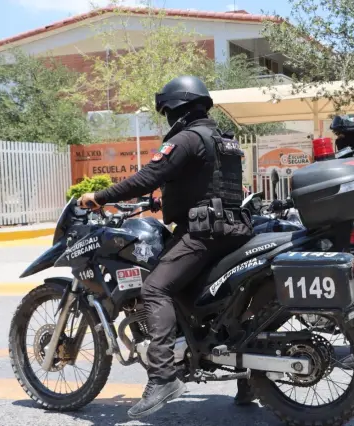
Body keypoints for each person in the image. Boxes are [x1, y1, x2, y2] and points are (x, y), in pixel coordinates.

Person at [78, 76, 253, 419]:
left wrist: (99, 197)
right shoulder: (222, 139)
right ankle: (248, 379)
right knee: (213, 303)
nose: (169, 120)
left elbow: (147, 177)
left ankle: (162, 377)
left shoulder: (187, 138)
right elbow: (208, 184)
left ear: (178, 109)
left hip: (204, 233)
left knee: (155, 289)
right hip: (233, 229)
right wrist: (165, 203)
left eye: (168, 113)